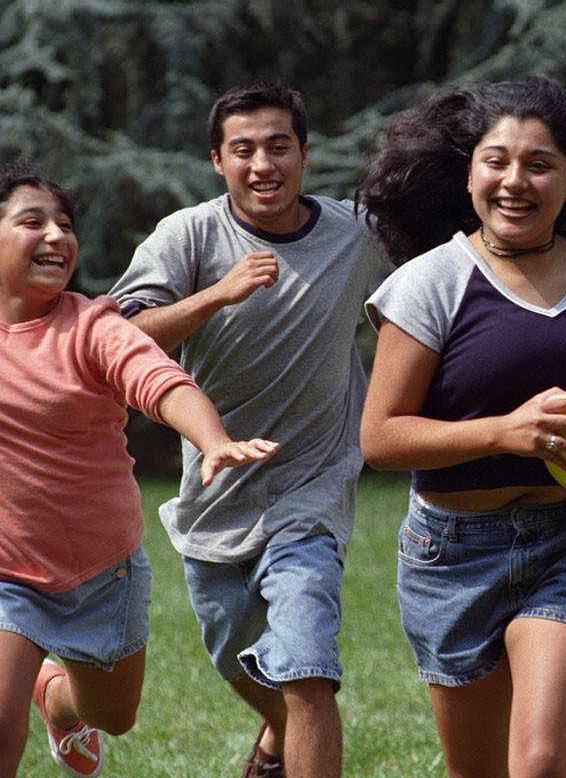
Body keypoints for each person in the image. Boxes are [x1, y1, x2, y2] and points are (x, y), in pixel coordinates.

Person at [0, 166, 277, 778]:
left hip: (99, 575)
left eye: (65, 224)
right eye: (33, 222)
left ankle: (59, 704)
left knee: (112, 716)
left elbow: (162, 383)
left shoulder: (92, 327)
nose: (57, 236)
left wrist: (212, 438)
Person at [356, 75, 566, 778]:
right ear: (469, 175)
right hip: (454, 554)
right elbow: (381, 438)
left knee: (543, 761)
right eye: (496, 161)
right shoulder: (430, 284)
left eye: (539, 164)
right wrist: (503, 433)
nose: (514, 182)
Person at [109, 82, 379, 778]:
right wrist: (215, 294)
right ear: (217, 161)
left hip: (311, 492)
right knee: (234, 657)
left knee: (307, 669)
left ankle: (292, 734)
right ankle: (274, 739)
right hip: (216, 495)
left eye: (279, 147)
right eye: (244, 150)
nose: (264, 164)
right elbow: (118, 340)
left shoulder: (358, 237)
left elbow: (436, 293)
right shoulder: (189, 235)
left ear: (305, 154)